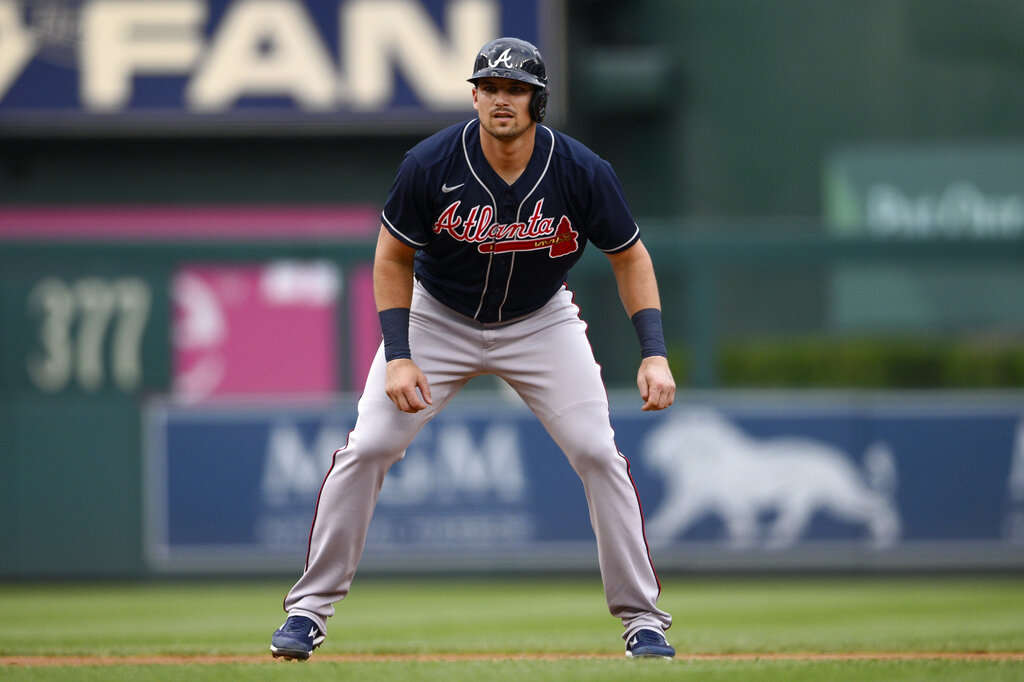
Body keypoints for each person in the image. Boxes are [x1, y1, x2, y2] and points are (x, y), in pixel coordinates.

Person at [270, 37, 676, 660]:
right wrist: (399, 351)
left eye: (516, 89)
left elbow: (630, 258)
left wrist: (653, 350)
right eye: (490, 87)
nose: (501, 99)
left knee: (599, 452)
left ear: (538, 100)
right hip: (438, 318)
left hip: (540, 322)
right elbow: (391, 256)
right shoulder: (431, 163)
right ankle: (308, 611)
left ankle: (642, 620)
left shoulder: (581, 170)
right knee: (370, 445)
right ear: (474, 95)